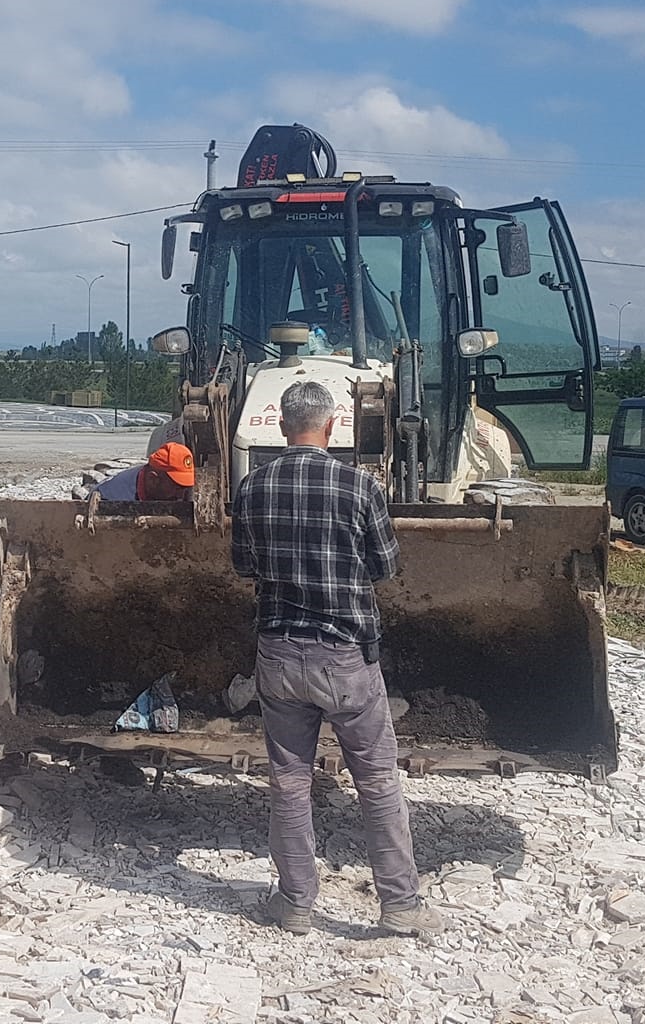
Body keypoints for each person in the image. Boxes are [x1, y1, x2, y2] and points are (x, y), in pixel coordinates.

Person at [229, 379, 442, 938]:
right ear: (331, 427)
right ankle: (399, 905)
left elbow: (243, 565)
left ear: (280, 426)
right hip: (346, 658)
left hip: (277, 655)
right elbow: (384, 568)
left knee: (290, 781)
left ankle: (295, 902)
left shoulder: (253, 486)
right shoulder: (359, 486)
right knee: (376, 781)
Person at [94, 442, 197, 501]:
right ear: (153, 479)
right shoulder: (109, 498)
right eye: (176, 487)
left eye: (185, 487)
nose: (181, 495)